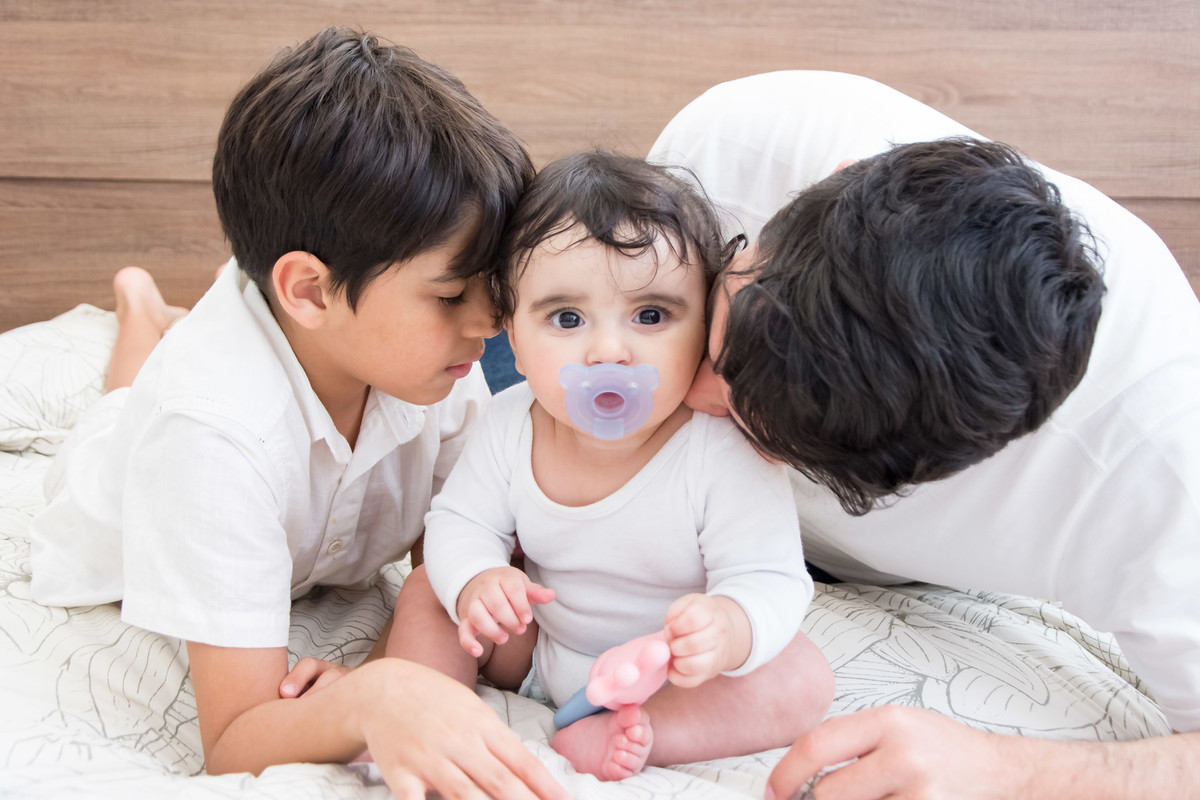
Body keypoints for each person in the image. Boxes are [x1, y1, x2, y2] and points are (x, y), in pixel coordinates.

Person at [26, 27, 566, 800]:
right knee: (116, 411)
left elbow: (452, 560)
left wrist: (382, 667)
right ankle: (138, 304)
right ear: (310, 292)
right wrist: (370, 700)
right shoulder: (209, 434)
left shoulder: (435, 364)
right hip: (116, 490)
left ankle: (162, 313)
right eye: (451, 295)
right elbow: (234, 739)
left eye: (488, 286)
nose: (488, 321)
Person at [649, 70, 1200, 798]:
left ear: (943, 468)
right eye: (718, 344)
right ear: (840, 174)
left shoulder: (1157, 485)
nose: (688, 397)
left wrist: (1012, 771)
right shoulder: (735, 150)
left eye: (762, 433)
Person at [384, 151, 835, 781]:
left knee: (802, 675)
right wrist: (479, 578)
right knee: (428, 591)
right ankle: (422, 717)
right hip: (537, 649)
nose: (608, 352)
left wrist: (728, 626)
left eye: (651, 316)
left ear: (706, 328)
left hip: (673, 676)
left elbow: (770, 576)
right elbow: (459, 522)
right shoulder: (512, 421)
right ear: (514, 339)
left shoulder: (721, 449)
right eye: (566, 318)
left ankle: (638, 732)